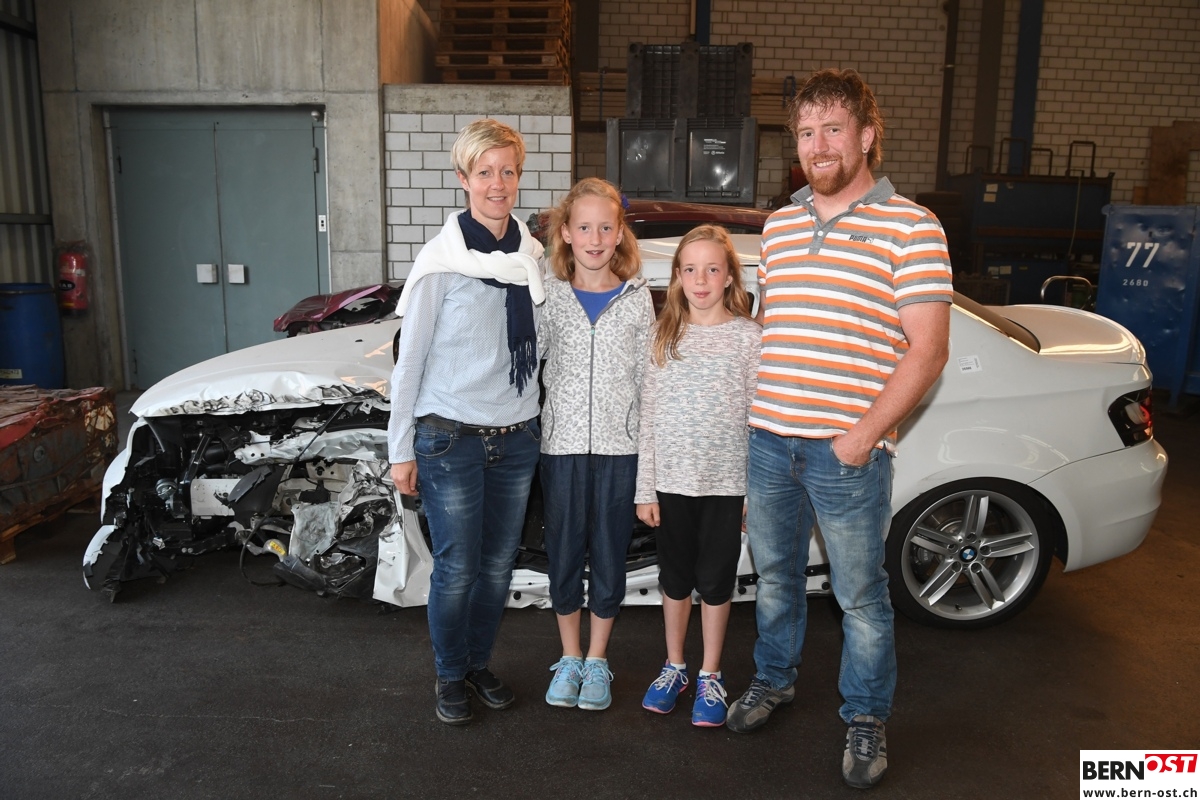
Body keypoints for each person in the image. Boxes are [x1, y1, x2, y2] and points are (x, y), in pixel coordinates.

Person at [726, 68, 953, 791]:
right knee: (775, 582)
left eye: (832, 129)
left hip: (844, 453)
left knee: (860, 598)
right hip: (770, 444)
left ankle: (866, 716)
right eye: (805, 132)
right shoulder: (781, 225)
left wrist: (860, 438)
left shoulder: (912, 226)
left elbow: (929, 351)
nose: (818, 145)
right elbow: (773, 332)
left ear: (866, 135)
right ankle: (775, 679)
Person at [387, 118, 545, 726]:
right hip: (449, 437)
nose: (497, 183)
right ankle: (450, 674)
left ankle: (479, 664)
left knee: (499, 568)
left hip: (518, 436)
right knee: (457, 569)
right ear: (463, 179)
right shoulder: (440, 264)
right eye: (484, 172)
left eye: (507, 171)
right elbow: (409, 363)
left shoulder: (532, 258)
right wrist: (400, 448)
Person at [635, 225, 761, 728]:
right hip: (671, 484)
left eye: (712, 269)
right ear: (677, 277)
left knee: (715, 582)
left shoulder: (749, 338)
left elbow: (756, 419)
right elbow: (647, 417)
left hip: (726, 486)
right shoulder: (662, 335)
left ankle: (711, 672)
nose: (701, 279)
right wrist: (645, 487)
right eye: (690, 269)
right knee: (674, 580)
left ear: (729, 276)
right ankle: (675, 666)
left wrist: (752, 491)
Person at [538, 177, 654, 711]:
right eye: (584, 227)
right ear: (565, 233)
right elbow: (526, 364)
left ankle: (598, 658)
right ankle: (569, 656)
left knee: (609, 555)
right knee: (563, 553)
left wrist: (649, 464)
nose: (595, 238)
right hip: (560, 448)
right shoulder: (549, 296)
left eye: (606, 228)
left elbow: (649, 384)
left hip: (619, 450)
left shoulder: (637, 300)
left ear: (620, 233)